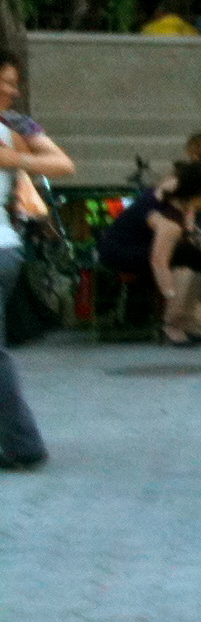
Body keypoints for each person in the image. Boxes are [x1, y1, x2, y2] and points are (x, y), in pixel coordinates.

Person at [0, 53, 73, 470]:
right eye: (5, 81)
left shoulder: (15, 125)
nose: (11, 90)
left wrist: (16, 160)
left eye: (13, 82)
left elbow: (63, 163)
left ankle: (23, 444)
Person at [98, 158, 201, 345]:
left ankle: (186, 320)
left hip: (139, 243)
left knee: (199, 257)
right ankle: (171, 324)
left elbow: (188, 219)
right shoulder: (165, 220)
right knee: (186, 258)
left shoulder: (178, 188)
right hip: (120, 250)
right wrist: (170, 295)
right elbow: (159, 261)